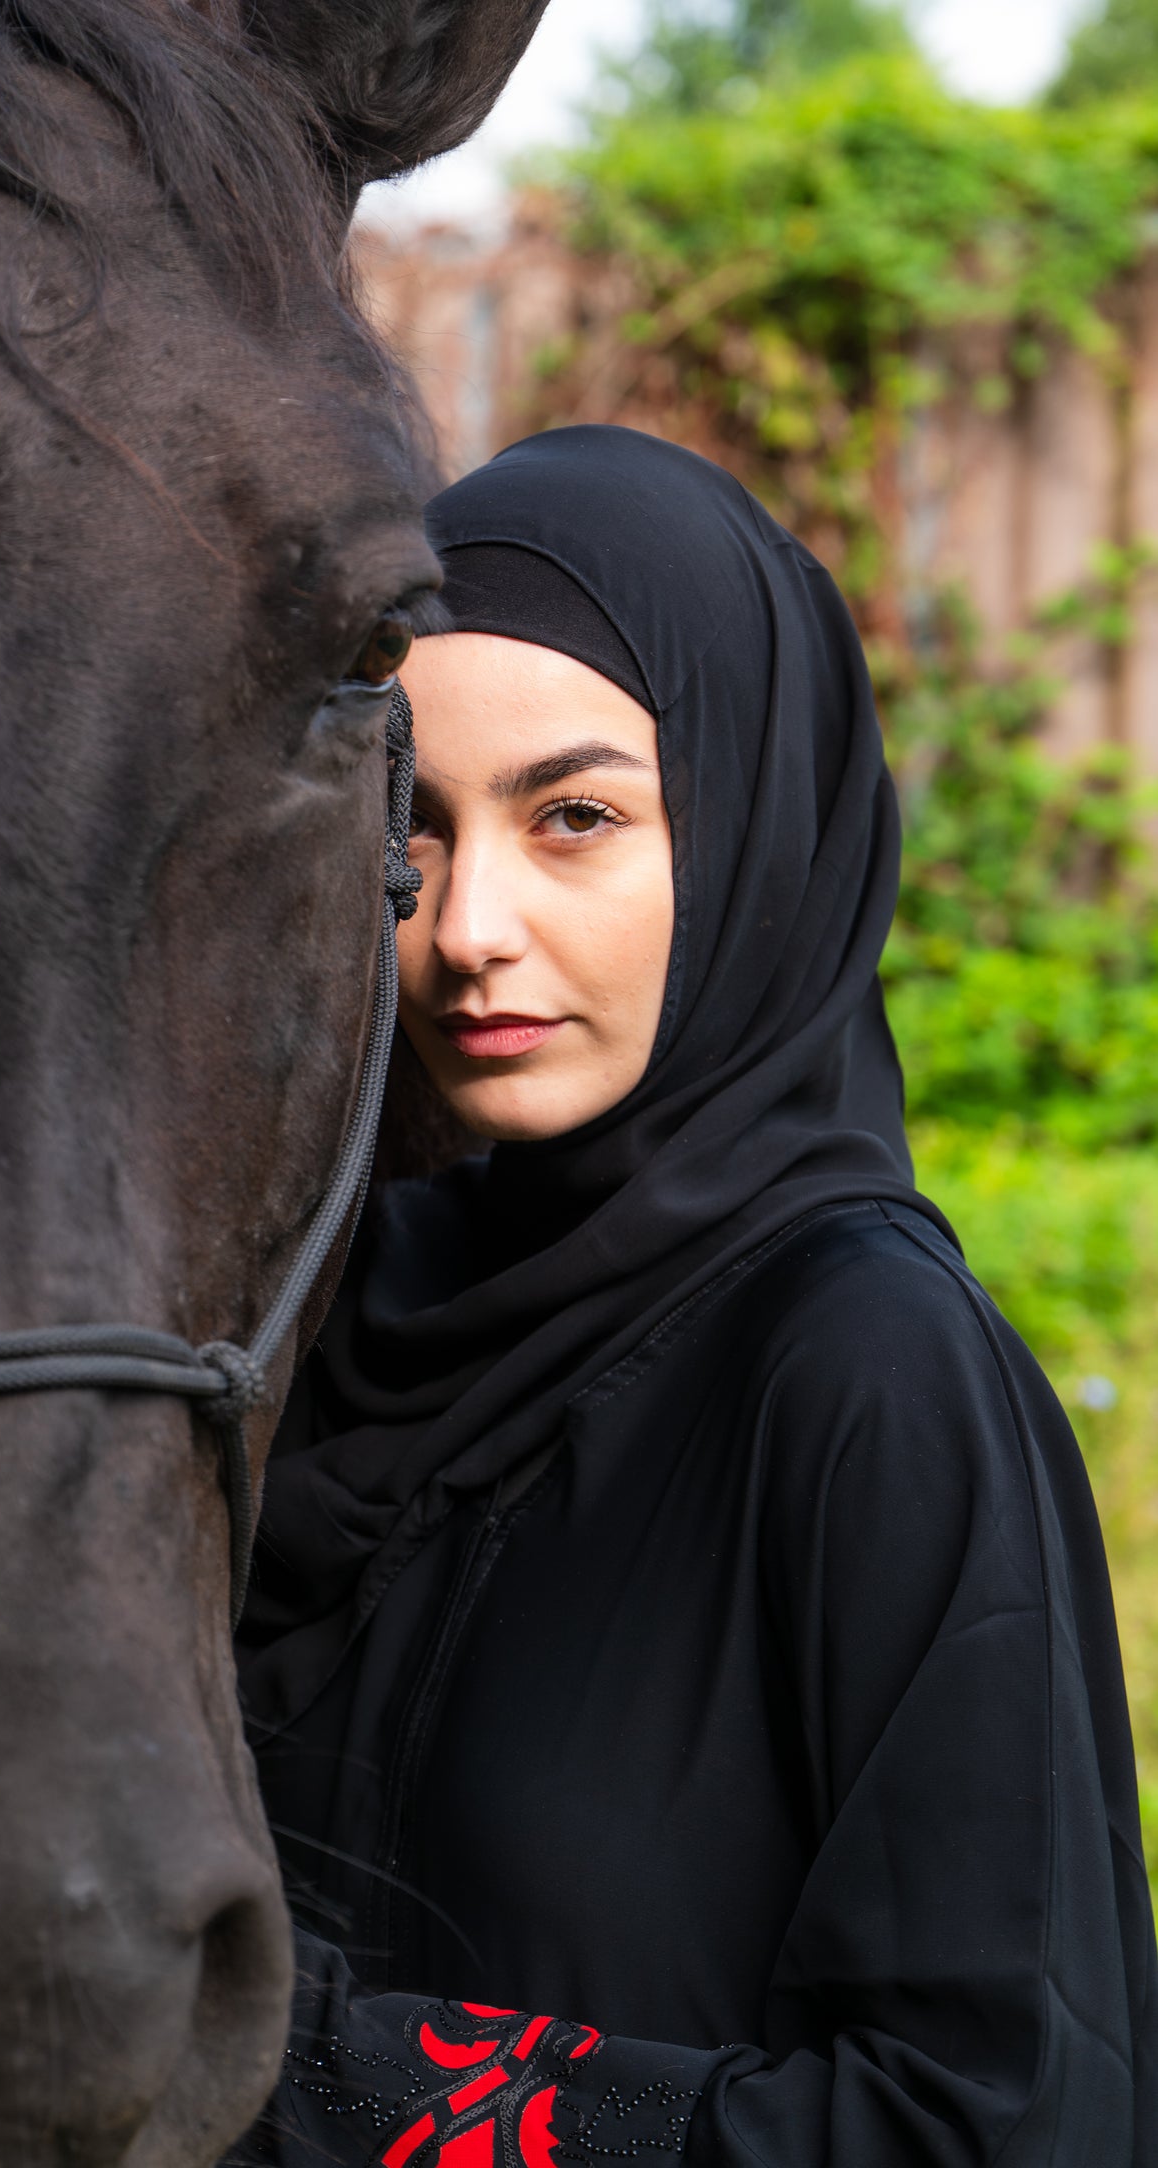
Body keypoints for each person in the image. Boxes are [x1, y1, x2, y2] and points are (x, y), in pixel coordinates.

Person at [233, 427, 1158, 2167]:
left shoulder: (861, 1371)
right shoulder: (327, 1321)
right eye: (410, 829)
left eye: (574, 818)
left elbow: (998, 2123)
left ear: (752, 833)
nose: (468, 925)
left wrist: (298, 2079)